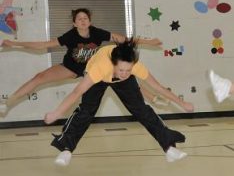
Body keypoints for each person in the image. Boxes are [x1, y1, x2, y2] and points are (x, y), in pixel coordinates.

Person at [43, 38, 194, 166]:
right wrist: (57, 113)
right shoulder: (100, 67)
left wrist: (182, 103)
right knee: (86, 112)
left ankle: (169, 148)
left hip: (121, 81)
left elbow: (158, 88)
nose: (125, 73)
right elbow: (76, 92)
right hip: (99, 79)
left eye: (128, 70)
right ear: (114, 64)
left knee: (141, 110)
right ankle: (66, 149)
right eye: (121, 70)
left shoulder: (133, 68)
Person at [0, 8, 167, 114]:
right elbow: (42, 45)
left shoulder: (97, 33)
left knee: (125, 76)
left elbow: (123, 39)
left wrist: (149, 42)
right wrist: (15, 44)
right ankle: (8, 102)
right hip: (71, 68)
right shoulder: (70, 36)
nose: (82, 20)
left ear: (90, 21)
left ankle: (154, 98)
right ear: (74, 23)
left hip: (93, 69)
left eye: (85, 18)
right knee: (39, 78)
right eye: (79, 19)